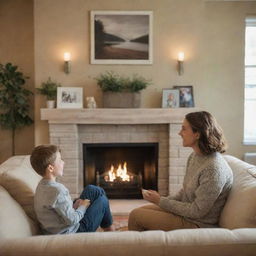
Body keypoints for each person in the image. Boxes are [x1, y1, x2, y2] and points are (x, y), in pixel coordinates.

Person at [128, 111, 233, 231]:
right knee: (139, 211)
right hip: (186, 215)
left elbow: (197, 211)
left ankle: (136, 248)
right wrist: (162, 200)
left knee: (135, 216)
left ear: (197, 134)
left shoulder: (213, 169)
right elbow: (185, 192)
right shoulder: (195, 156)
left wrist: (160, 201)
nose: (179, 133)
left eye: (184, 129)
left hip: (198, 224)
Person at [30, 144, 114, 234]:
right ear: (51, 168)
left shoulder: (41, 186)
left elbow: (59, 211)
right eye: (60, 160)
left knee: (93, 189)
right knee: (103, 200)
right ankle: (109, 230)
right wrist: (83, 206)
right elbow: (72, 220)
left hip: (62, 225)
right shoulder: (58, 191)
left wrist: (74, 207)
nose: (63, 162)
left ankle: (108, 227)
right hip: (74, 231)